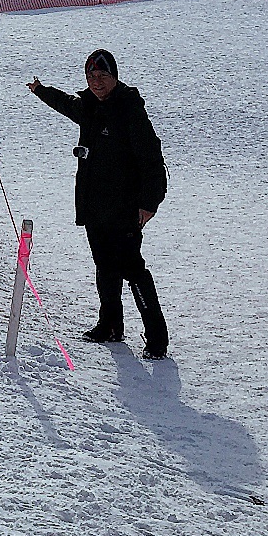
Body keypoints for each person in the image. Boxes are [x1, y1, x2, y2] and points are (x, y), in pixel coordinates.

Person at [27, 50, 170, 355]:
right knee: (104, 266)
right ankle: (110, 326)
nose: (96, 82)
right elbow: (67, 104)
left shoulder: (129, 110)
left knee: (132, 269)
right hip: (95, 206)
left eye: (102, 76)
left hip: (126, 207)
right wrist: (42, 91)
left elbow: (152, 159)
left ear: (115, 77)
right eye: (91, 77)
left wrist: (149, 203)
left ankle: (157, 337)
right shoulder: (90, 108)